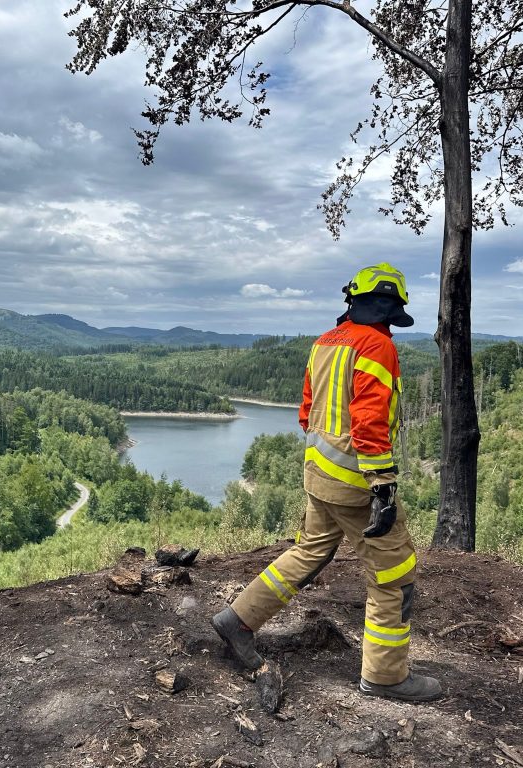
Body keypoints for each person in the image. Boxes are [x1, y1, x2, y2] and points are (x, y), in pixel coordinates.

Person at [212, 262, 442, 702]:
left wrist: (330, 460)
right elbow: (370, 420)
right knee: (394, 574)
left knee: (310, 550)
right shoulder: (376, 346)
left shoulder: (325, 343)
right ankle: (386, 675)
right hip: (357, 484)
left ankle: (237, 620)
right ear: (391, 308)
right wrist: (382, 485)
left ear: (353, 301)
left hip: (319, 475)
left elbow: (306, 412)